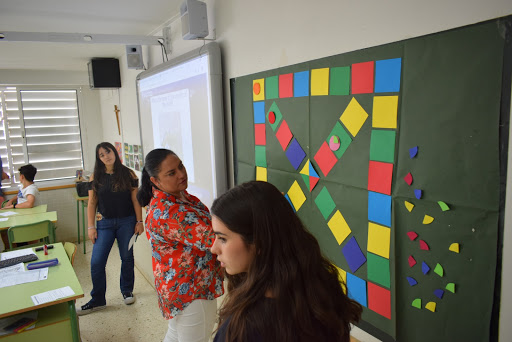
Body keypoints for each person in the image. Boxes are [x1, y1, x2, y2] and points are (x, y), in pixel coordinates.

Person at [210, 181, 363, 342]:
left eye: (222, 238)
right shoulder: (321, 289)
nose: (214, 248)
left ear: (259, 242)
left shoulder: (241, 328)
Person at [137, 148, 224, 342]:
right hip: (193, 291)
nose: (181, 174)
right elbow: (213, 240)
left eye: (181, 166)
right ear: (155, 181)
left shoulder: (180, 197)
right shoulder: (171, 213)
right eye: (171, 173)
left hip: (179, 288)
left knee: (175, 335)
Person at [77, 142, 144, 316]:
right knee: (97, 261)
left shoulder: (128, 173)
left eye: (108, 152)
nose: (107, 156)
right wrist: (91, 227)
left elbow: (135, 199)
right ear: (99, 158)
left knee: (127, 257)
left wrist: (139, 221)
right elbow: (92, 203)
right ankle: (98, 299)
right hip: (104, 223)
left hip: (127, 222)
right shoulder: (95, 177)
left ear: (115, 152)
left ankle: (127, 290)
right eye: (102, 154)